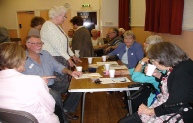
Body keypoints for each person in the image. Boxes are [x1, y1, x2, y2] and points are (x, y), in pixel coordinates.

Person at [119, 42, 193, 123]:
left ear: (162, 58)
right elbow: (172, 84)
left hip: (178, 114)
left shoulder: (182, 72)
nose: (153, 63)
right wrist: (158, 75)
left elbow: (176, 104)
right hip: (166, 107)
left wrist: (150, 111)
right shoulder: (179, 65)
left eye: (153, 61)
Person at [23, 36, 82, 122]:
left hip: (52, 84)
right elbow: (21, 78)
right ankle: (63, 120)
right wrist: (39, 82)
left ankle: (65, 111)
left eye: (40, 43)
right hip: (37, 88)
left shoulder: (45, 54)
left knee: (77, 87)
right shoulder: (21, 58)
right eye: (36, 43)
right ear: (27, 45)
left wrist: (70, 72)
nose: (39, 45)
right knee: (55, 95)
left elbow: (58, 66)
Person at [0, 42, 59, 123]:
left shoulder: (34, 81)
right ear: (19, 59)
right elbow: (51, 108)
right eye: (25, 58)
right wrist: (43, 87)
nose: (25, 61)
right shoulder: (34, 81)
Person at [116, 35, 163, 112]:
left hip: (158, 98)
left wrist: (141, 61)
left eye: (146, 43)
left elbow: (136, 77)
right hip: (151, 90)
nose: (144, 44)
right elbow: (143, 69)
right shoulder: (157, 58)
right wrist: (124, 71)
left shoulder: (157, 63)